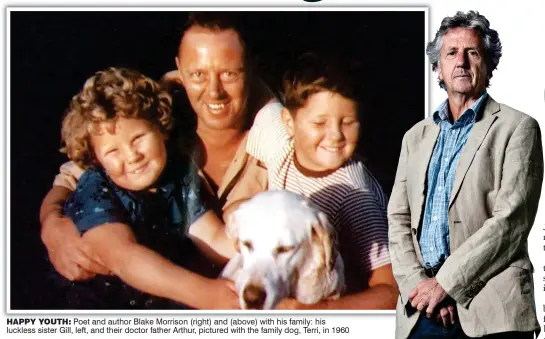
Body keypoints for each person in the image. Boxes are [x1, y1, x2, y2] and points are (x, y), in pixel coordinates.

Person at [39, 12, 276, 284]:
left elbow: (218, 241)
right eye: (198, 74)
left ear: (251, 68)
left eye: (229, 74)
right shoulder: (139, 121)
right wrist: (51, 224)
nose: (214, 91)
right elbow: (74, 176)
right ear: (180, 69)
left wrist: (251, 225)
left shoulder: (283, 137)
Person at [388, 11, 543, 339]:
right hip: (422, 311)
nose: (461, 62)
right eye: (451, 53)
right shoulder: (414, 137)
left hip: (491, 310)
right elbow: (398, 219)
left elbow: (510, 222)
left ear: (489, 65)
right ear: (438, 69)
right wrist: (421, 286)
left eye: (473, 53)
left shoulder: (519, 128)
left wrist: (445, 285)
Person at [57, 67, 239, 309]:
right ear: (96, 158)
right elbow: (124, 257)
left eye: (138, 138)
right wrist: (205, 294)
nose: (132, 156)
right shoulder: (95, 189)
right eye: (113, 151)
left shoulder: (177, 176)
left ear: (161, 129)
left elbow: (214, 239)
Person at [233, 52, 398, 309]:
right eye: (320, 122)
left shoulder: (356, 199)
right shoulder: (275, 137)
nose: (334, 136)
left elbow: (394, 290)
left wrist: (318, 314)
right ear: (289, 122)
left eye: (348, 122)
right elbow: (256, 93)